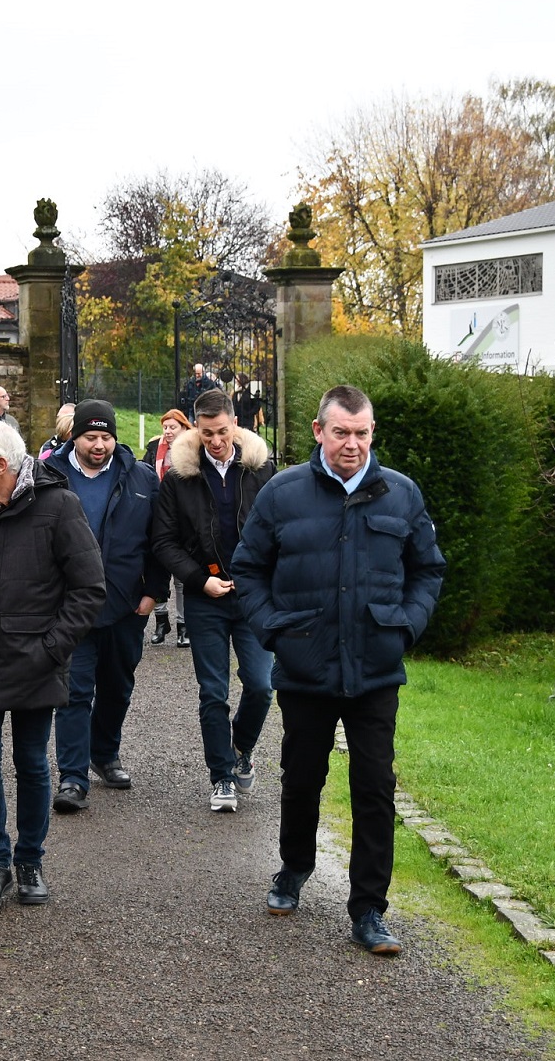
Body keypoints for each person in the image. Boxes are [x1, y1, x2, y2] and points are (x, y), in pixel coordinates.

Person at [234, 384, 445, 956]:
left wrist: (404, 627)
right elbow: (247, 571)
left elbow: (429, 570)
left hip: (375, 668)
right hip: (305, 665)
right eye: (341, 433)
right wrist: (276, 631)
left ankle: (370, 909)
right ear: (318, 431)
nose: (352, 444)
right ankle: (294, 866)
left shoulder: (400, 494)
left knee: (375, 786)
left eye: (362, 433)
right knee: (302, 778)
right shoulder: (283, 495)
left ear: (372, 433)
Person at [0, 420, 104, 912]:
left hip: (36, 659)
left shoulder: (59, 506)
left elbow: (89, 589)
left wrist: (51, 649)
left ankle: (30, 860)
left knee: (31, 762)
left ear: (1, 467)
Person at [152, 388, 275, 813]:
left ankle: (241, 746)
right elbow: (164, 542)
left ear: (235, 424)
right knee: (213, 692)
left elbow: (279, 534)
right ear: (196, 429)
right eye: (207, 434)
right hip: (205, 595)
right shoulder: (179, 477)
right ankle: (221, 775)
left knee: (261, 685)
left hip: (252, 596)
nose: (216, 441)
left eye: (222, 432)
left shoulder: (262, 471)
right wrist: (198, 579)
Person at [44, 400, 168, 812]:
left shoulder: (142, 478)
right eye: (90, 437)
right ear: (73, 437)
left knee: (117, 686)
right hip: (70, 605)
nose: (99, 445)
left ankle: (105, 753)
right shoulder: (49, 476)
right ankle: (73, 777)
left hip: (126, 603)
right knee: (75, 691)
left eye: (106, 437)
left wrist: (154, 592)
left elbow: (159, 539)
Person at [142, 409, 192, 647]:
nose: (168, 431)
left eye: (173, 427)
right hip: (156, 516)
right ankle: (162, 621)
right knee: (156, 569)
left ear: (184, 428)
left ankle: (184, 625)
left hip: (183, 518)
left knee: (182, 575)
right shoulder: (154, 449)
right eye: (165, 427)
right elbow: (142, 474)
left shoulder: (193, 450)